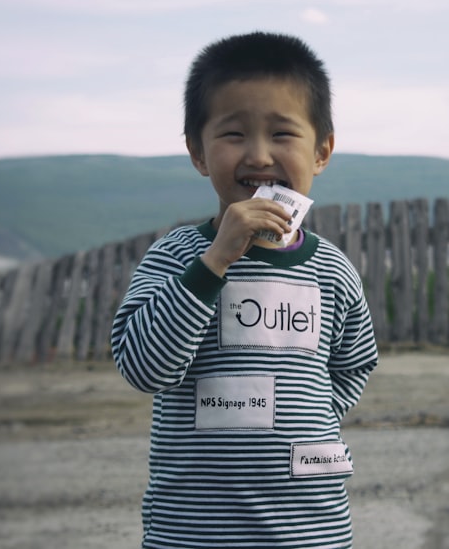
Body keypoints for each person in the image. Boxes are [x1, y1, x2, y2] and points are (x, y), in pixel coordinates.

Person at [111, 31, 379, 548]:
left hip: (310, 527)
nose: (258, 156)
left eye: (283, 134)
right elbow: (144, 369)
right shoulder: (174, 257)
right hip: (194, 528)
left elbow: (354, 364)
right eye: (233, 134)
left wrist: (307, 420)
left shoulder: (332, 269)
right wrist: (215, 261)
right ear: (198, 151)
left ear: (321, 151)